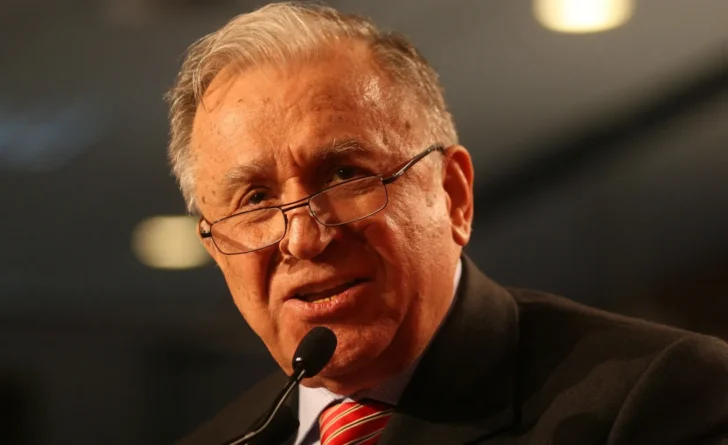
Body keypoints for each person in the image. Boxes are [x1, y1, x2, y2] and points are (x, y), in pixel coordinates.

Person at [165, 3, 728, 444]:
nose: (304, 238)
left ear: (452, 194)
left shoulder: (658, 396)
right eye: (256, 199)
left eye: (344, 175)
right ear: (215, 249)